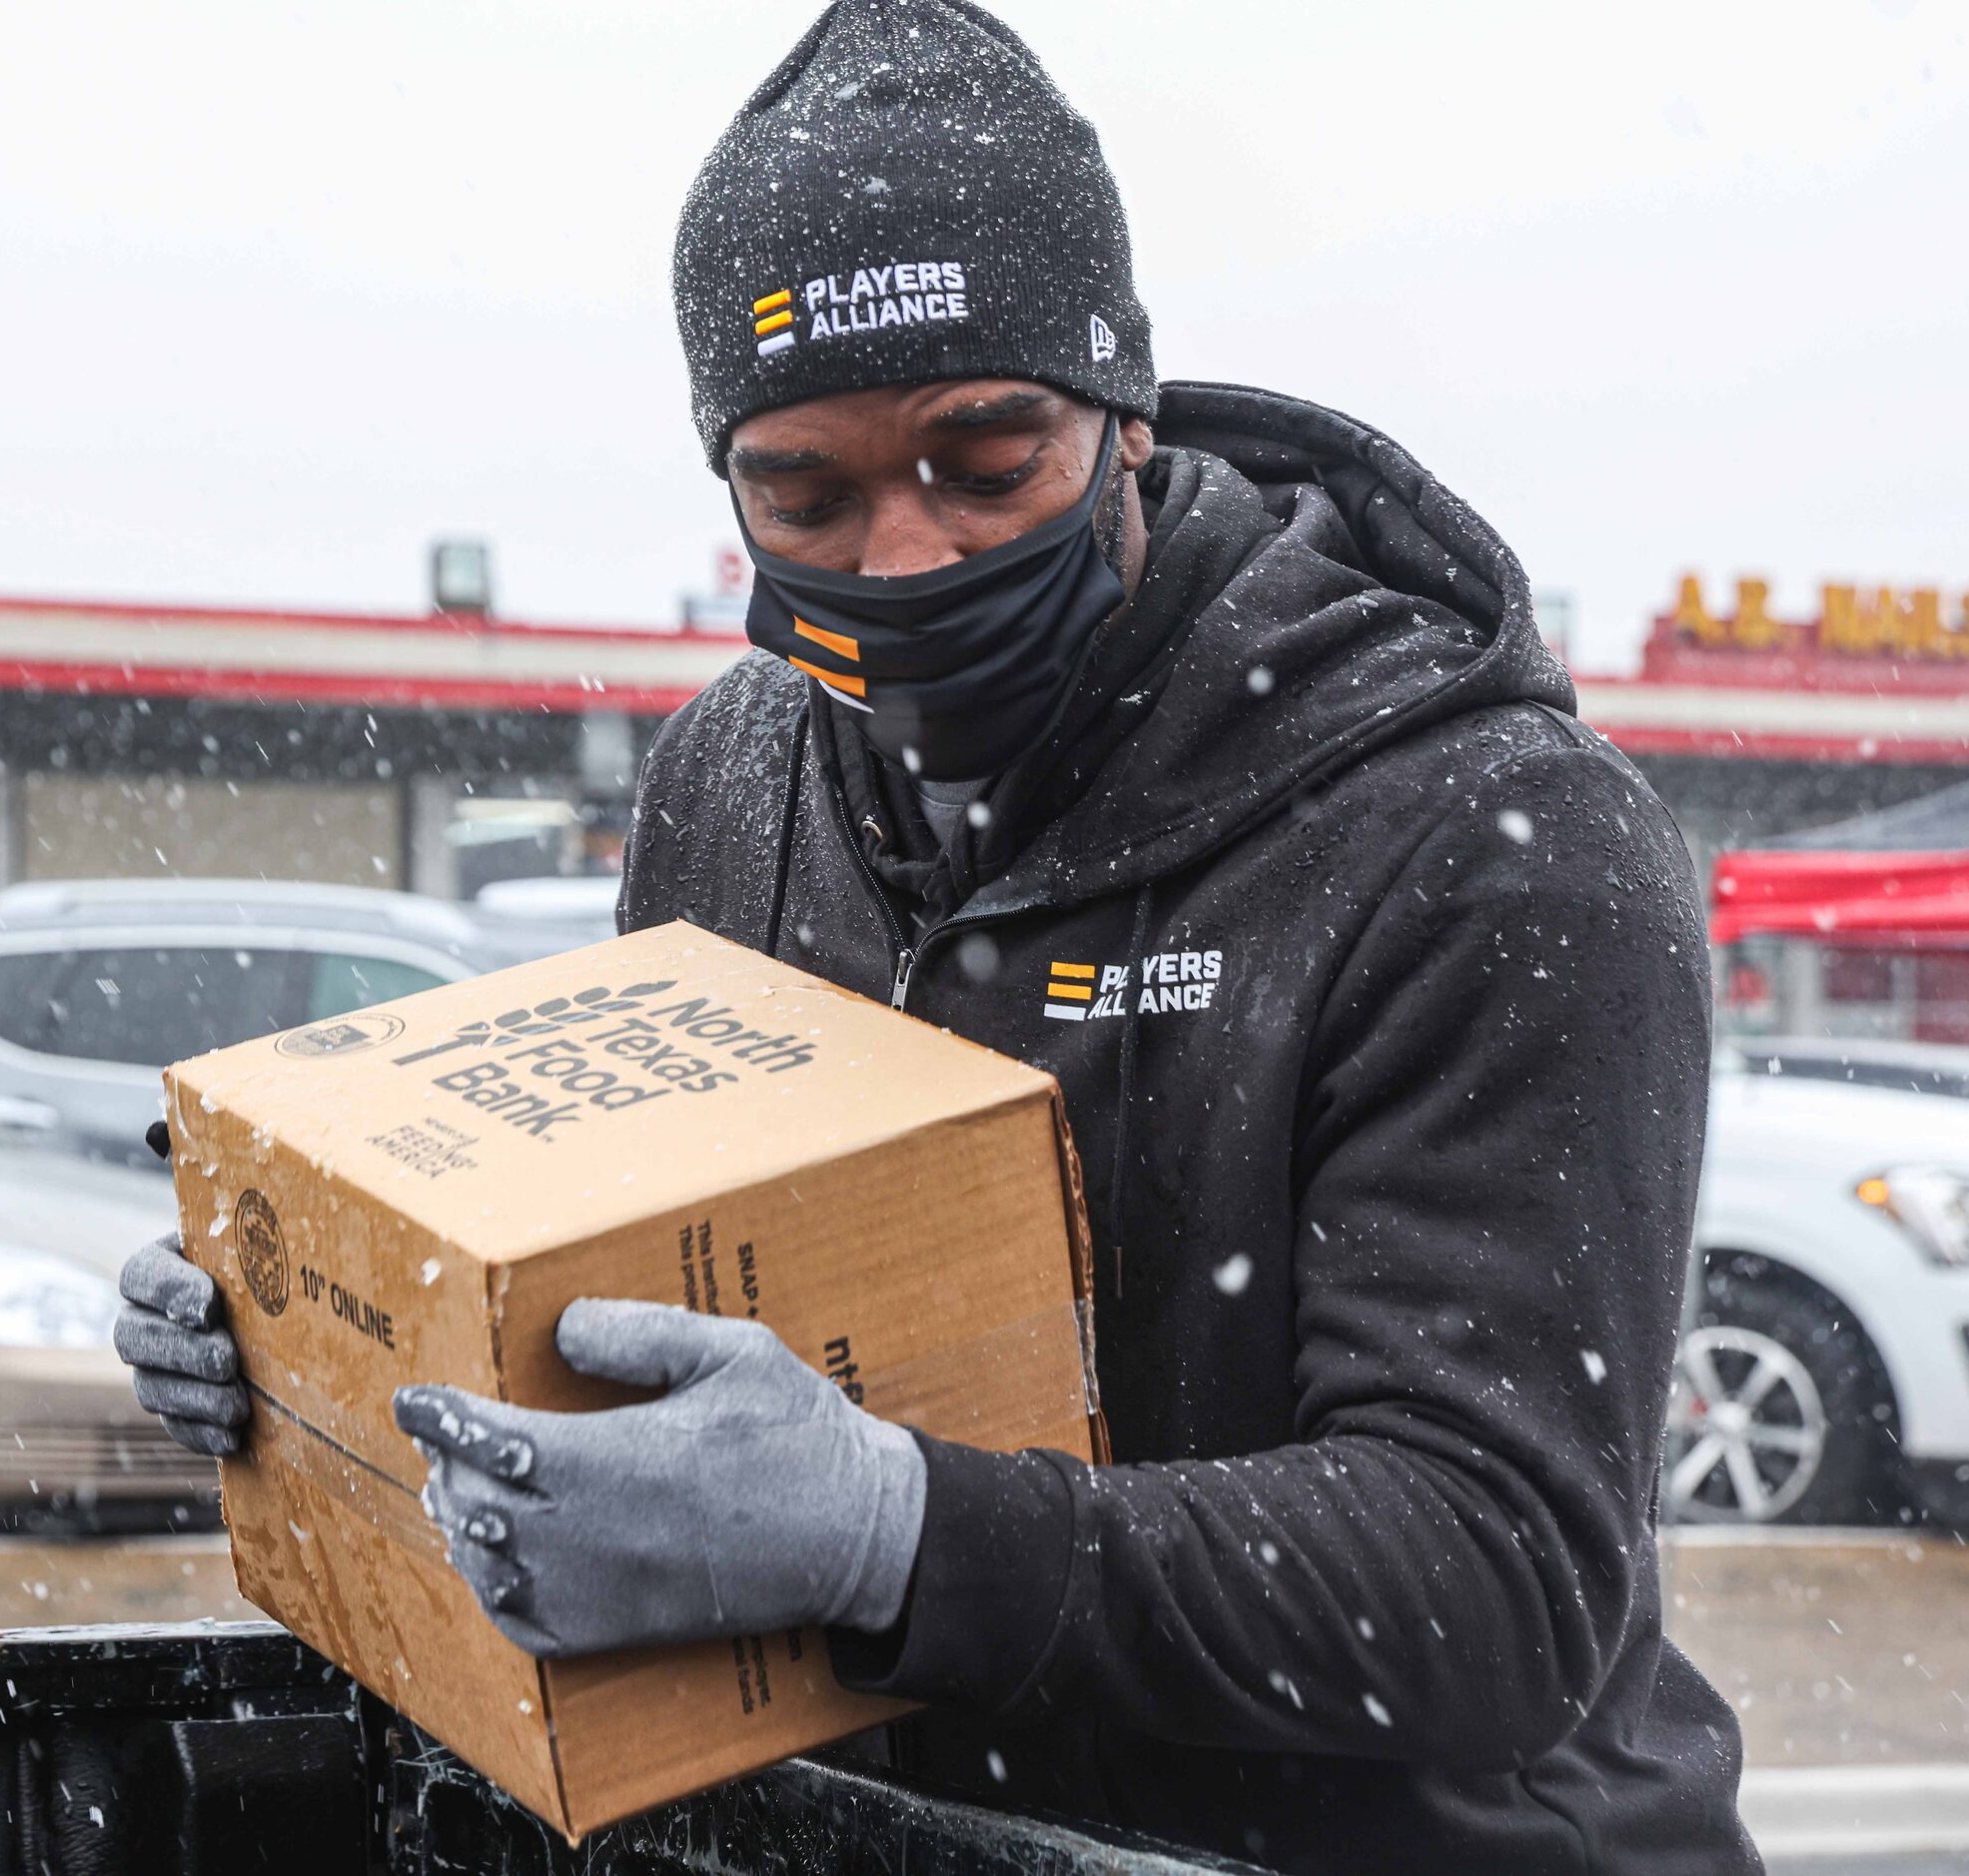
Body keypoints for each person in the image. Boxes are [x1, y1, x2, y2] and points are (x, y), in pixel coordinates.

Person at [118, 2, 1758, 1869]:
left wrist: (900, 1532)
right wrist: (319, 1334)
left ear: (1125, 417)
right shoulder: (734, 780)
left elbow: (1497, 1584)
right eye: (803, 493)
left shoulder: (1482, 844)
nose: (905, 560)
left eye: (990, 465)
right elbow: (630, 1278)